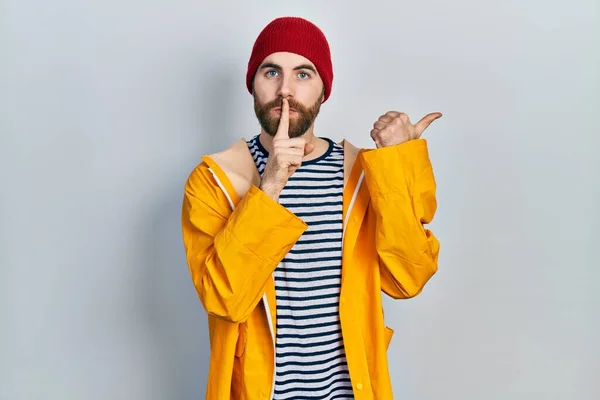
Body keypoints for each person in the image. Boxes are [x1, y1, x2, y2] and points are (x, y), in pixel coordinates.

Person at [181, 16, 441, 400]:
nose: (285, 90)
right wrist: (269, 185)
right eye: (272, 72)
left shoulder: (360, 175)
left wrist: (395, 164)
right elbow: (224, 300)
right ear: (252, 83)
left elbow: (407, 278)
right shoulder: (213, 180)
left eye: (303, 74)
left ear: (324, 90)